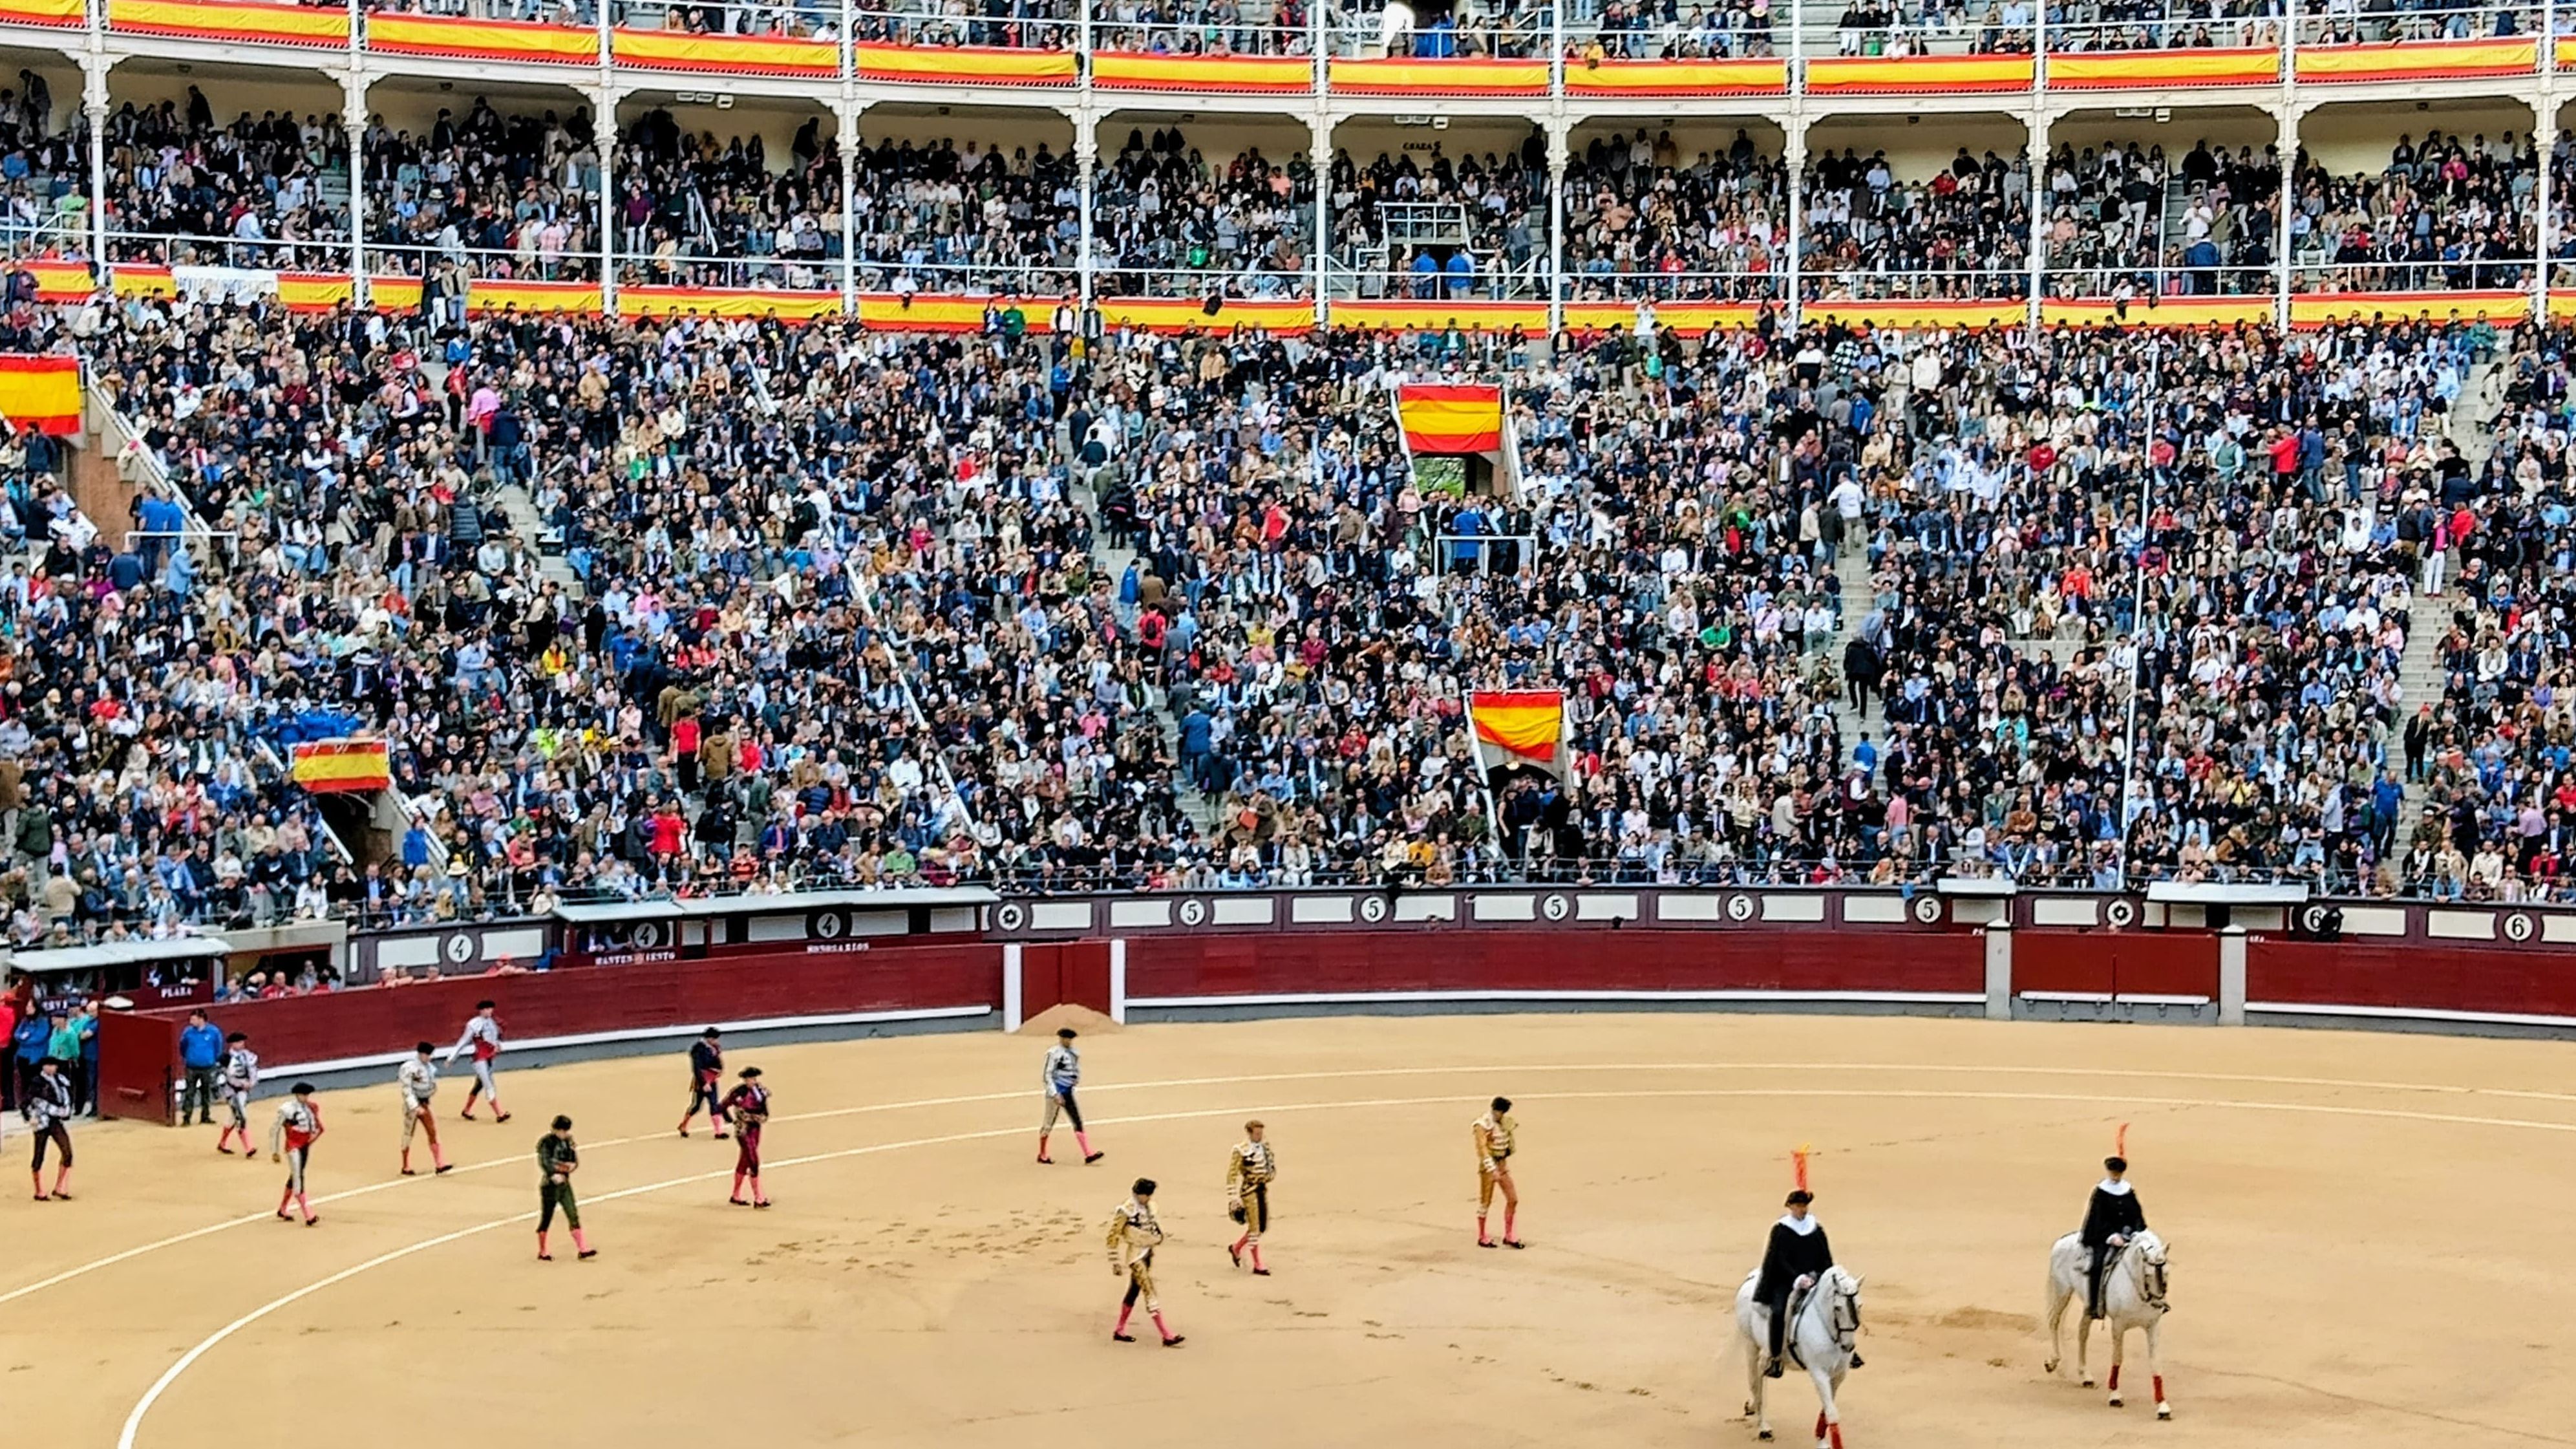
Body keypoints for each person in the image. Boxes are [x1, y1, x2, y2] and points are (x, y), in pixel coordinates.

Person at [1754, 1187, 1844, 1378]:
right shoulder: (1781, 1230)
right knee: (1778, 1311)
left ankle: (1845, 1350)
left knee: (1840, 1305)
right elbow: (1778, 1260)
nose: (1802, 1210)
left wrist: (1818, 1276)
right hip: (1786, 1282)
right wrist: (1797, 1278)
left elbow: (1825, 1257)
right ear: (1791, 1207)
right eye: (1798, 1206)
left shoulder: (1816, 1229)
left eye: (1804, 1206)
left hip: (1815, 1280)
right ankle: (1776, 1358)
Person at [1106, 1177, 1183, 1346]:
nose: (1148, 1198)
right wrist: (1115, 1262)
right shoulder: (1127, 1210)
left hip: (1147, 1252)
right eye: (1146, 1195)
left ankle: (1119, 1330)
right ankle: (1166, 1335)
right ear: (1139, 1194)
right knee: (1149, 1290)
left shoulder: (1149, 1206)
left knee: (1134, 1291)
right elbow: (1113, 1236)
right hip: (1136, 1257)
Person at [2081, 1154, 2148, 1320]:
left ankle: (2153, 1299)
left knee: (2149, 1260)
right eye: (2113, 1173)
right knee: (2097, 1265)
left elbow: (2136, 1214)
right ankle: (2094, 1305)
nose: (2116, 1176)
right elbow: (2096, 1218)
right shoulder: (2101, 1192)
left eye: (2118, 1174)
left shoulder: (2128, 1190)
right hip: (2104, 1236)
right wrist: (2111, 1236)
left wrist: (2135, 1230)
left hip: (2128, 1234)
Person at [1039, 1026, 1101, 1165]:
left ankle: (1088, 1154)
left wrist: (1075, 1080)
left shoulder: (1074, 1053)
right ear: (1061, 1038)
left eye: (1070, 1039)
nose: (1068, 1041)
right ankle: (1042, 1154)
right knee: (1048, 1124)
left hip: (1068, 1091)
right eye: (1066, 1038)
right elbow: (1047, 1075)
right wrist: (1055, 1094)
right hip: (1056, 1093)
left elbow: (1075, 1069)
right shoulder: (1053, 1053)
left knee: (1077, 1121)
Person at [537, 1115, 595, 1261]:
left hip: (564, 1185)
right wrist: (553, 1174)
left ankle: (583, 1249)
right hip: (549, 1187)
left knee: (573, 1214)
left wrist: (572, 1165)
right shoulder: (546, 1142)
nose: (563, 1133)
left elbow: (573, 1160)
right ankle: (543, 1251)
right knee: (547, 1218)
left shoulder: (568, 1142)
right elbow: (544, 1161)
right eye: (561, 1130)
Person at [1224, 1119, 1277, 1276]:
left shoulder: (1265, 1147)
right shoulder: (1241, 1150)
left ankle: (1236, 1248)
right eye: (1257, 1133)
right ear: (1249, 1133)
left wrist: (1268, 1177)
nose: (1260, 1136)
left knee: (1260, 1227)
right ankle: (1258, 1264)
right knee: (1255, 1228)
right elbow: (1231, 1175)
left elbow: (1271, 1169)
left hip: (1261, 1189)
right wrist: (1233, 1198)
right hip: (1249, 1191)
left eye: (1261, 1133)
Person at [268, 1081, 325, 1226]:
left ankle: (283, 1209)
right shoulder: (287, 1109)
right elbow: (275, 1130)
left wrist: (311, 1140)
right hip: (293, 1146)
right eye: (303, 1095)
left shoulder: (311, 1108)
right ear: (297, 1095)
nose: (306, 1097)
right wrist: (274, 1151)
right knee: (299, 1177)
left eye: (307, 1095)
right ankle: (308, 1215)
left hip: (304, 1145)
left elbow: (317, 1128)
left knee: (295, 1175)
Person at [445, 1000, 510, 1122]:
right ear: (481, 1011)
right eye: (486, 1009)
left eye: (490, 1009)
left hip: (490, 1057)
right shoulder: (474, 1024)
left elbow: (495, 1038)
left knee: (479, 1085)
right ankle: (500, 1114)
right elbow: (463, 1042)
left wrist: (498, 1045)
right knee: (488, 1084)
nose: (489, 1011)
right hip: (479, 1058)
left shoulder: (493, 1022)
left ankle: (466, 1110)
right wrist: (451, 1058)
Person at [1472, 1096, 1522, 1249]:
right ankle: (1482, 1236)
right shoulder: (1482, 1125)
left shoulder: (1505, 1123)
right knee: (1485, 1201)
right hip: (1489, 1167)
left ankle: (1509, 1235)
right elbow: (1482, 1149)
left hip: (1502, 1164)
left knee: (1513, 1199)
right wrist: (1492, 1169)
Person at [396, 1042, 452, 1177]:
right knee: (408, 1134)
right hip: (413, 1106)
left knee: (432, 1131)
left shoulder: (430, 1068)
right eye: (427, 1055)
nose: (429, 1058)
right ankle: (405, 1165)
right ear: (421, 1054)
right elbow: (406, 1089)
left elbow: (431, 1086)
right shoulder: (409, 1068)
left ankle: (440, 1164)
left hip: (425, 1103)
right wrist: (415, 1107)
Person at [720, 1066, 771, 1208]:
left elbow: (764, 1109)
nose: (752, 1081)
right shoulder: (739, 1092)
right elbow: (722, 1106)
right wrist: (731, 1120)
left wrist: (763, 1117)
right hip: (743, 1130)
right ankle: (759, 1198)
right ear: (745, 1079)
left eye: (754, 1078)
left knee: (745, 1161)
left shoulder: (760, 1091)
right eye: (750, 1079)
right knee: (753, 1160)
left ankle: (736, 1195)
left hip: (756, 1129)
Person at [25, 1056, 74, 1201]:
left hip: (55, 1121)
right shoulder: (37, 1082)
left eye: (54, 1065)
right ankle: (39, 1191)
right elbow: (29, 1102)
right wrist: (30, 1117)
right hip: (41, 1121)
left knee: (67, 1152)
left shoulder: (61, 1081)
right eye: (49, 1065)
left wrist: (65, 1112)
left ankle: (60, 1187)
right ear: (43, 1067)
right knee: (39, 1155)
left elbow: (67, 1098)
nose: (52, 1068)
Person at [215, 1031, 259, 1157]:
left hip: (244, 1092)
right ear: (232, 1044)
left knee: (233, 1118)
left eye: (242, 1042)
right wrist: (241, 1084)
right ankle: (249, 1148)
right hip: (231, 1091)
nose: (241, 1044)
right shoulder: (226, 1058)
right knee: (241, 1116)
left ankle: (222, 1143)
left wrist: (251, 1083)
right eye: (238, 1042)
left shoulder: (249, 1056)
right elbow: (224, 1077)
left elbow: (253, 1071)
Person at [678, 1026, 725, 1138]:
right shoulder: (698, 1049)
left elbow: (717, 1064)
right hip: (701, 1082)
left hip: (712, 1080)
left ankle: (719, 1132)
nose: (716, 1041)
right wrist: (704, 1083)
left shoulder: (715, 1048)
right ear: (708, 1038)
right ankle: (683, 1125)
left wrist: (717, 1073)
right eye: (714, 1039)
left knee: (714, 1104)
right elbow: (697, 1068)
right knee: (696, 1106)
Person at [178, 1010, 223, 1126]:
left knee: (206, 1092)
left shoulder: (213, 1031)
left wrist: (212, 1060)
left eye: (193, 1019)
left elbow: (218, 1047)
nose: (191, 1022)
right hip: (192, 1067)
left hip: (208, 1067)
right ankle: (187, 1117)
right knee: (190, 1092)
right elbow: (182, 1047)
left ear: (201, 1019)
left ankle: (205, 1116)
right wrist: (188, 1058)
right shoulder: (188, 1032)